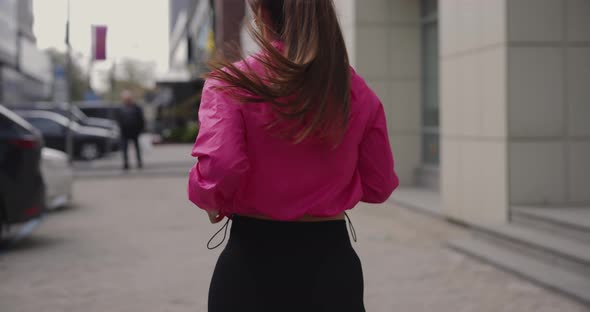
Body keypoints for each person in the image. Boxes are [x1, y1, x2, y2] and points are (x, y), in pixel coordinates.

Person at [188, 1, 399, 311]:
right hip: (330, 265)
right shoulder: (355, 90)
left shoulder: (231, 83)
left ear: (259, 11)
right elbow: (379, 185)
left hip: (252, 263)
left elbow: (221, 166)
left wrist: (212, 199)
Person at [117, 90, 145, 170]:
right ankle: (126, 163)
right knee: (125, 149)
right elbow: (119, 120)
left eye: (128, 98)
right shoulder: (121, 108)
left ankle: (139, 162)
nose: (127, 100)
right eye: (125, 98)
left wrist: (140, 130)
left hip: (135, 132)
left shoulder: (136, 107)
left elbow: (141, 120)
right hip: (124, 132)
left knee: (137, 148)